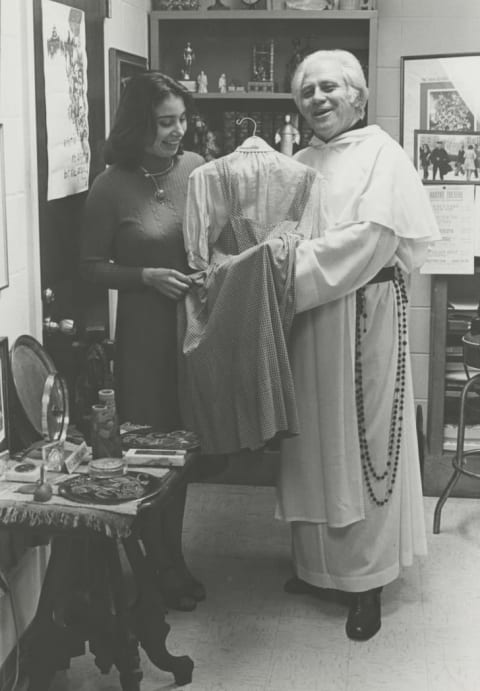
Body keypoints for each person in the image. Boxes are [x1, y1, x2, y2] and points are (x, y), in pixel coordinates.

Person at [276, 49, 440, 641]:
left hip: (361, 316)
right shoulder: (297, 161)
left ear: (357, 96)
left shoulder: (382, 156)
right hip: (310, 323)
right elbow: (279, 233)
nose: (316, 99)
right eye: (306, 92)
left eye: (328, 88)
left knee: (364, 442)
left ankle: (366, 580)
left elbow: (372, 239)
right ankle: (317, 565)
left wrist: (286, 269)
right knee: (312, 441)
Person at [80, 71, 206, 612]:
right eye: (164, 123)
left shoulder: (198, 170)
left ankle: (171, 557)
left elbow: (218, 237)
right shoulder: (110, 186)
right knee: (152, 451)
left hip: (194, 329)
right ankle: (157, 563)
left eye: (181, 119)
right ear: (137, 126)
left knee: (186, 450)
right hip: (143, 337)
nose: (177, 131)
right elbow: (86, 268)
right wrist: (144, 276)